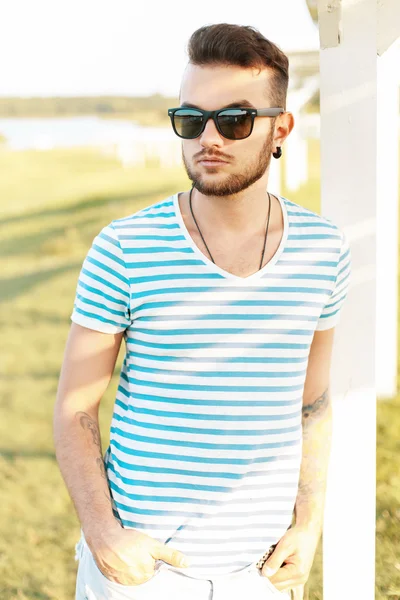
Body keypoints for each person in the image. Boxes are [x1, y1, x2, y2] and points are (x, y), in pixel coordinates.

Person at [53, 23, 352, 600]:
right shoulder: (124, 247)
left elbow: (313, 402)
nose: (208, 137)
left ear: (280, 128)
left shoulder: (324, 250)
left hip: (263, 573)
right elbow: (74, 407)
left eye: (235, 119)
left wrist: (309, 525)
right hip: (144, 571)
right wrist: (103, 534)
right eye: (191, 120)